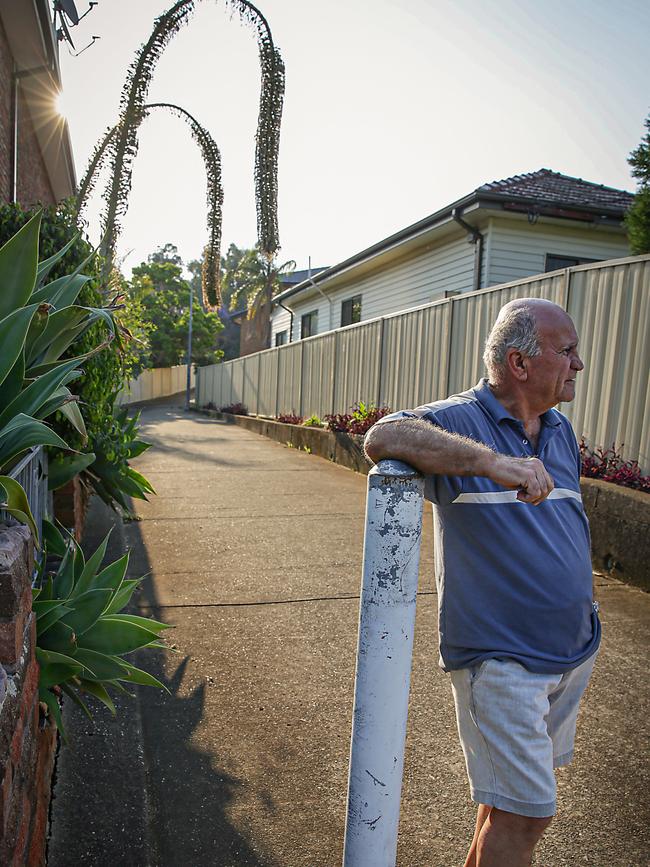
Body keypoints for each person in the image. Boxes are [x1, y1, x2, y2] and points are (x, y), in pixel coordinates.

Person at [364, 298, 600, 867]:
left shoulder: (560, 430)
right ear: (519, 363)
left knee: (503, 807)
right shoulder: (463, 419)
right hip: (501, 659)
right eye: (566, 351)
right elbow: (383, 436)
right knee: (528, 813)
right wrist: (494, 463)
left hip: (570, 652)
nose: (579, 364)